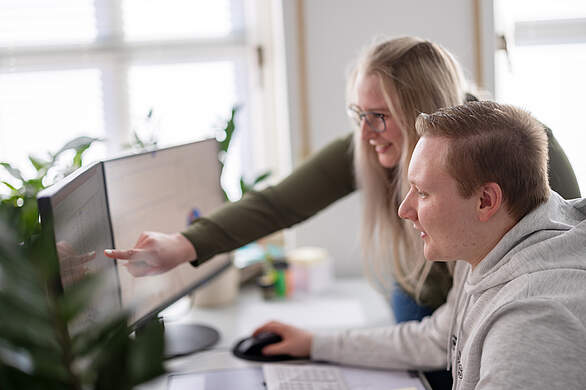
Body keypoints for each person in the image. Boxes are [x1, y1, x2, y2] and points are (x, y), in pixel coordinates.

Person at [104, 37, 579, 329]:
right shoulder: (371, 142)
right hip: (427, 307)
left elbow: (568, 246)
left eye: (379, 116)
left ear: (422, 108)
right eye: (358, 114)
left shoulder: (525, 147)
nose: (365, 133)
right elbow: (278, 204)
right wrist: (184, 245)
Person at [254, 101, 586, 389]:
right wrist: (315, 344)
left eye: (423, 192)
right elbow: (435, 339)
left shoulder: (532, 321)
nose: (404, 209)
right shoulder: (488, 248)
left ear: (486, 200)